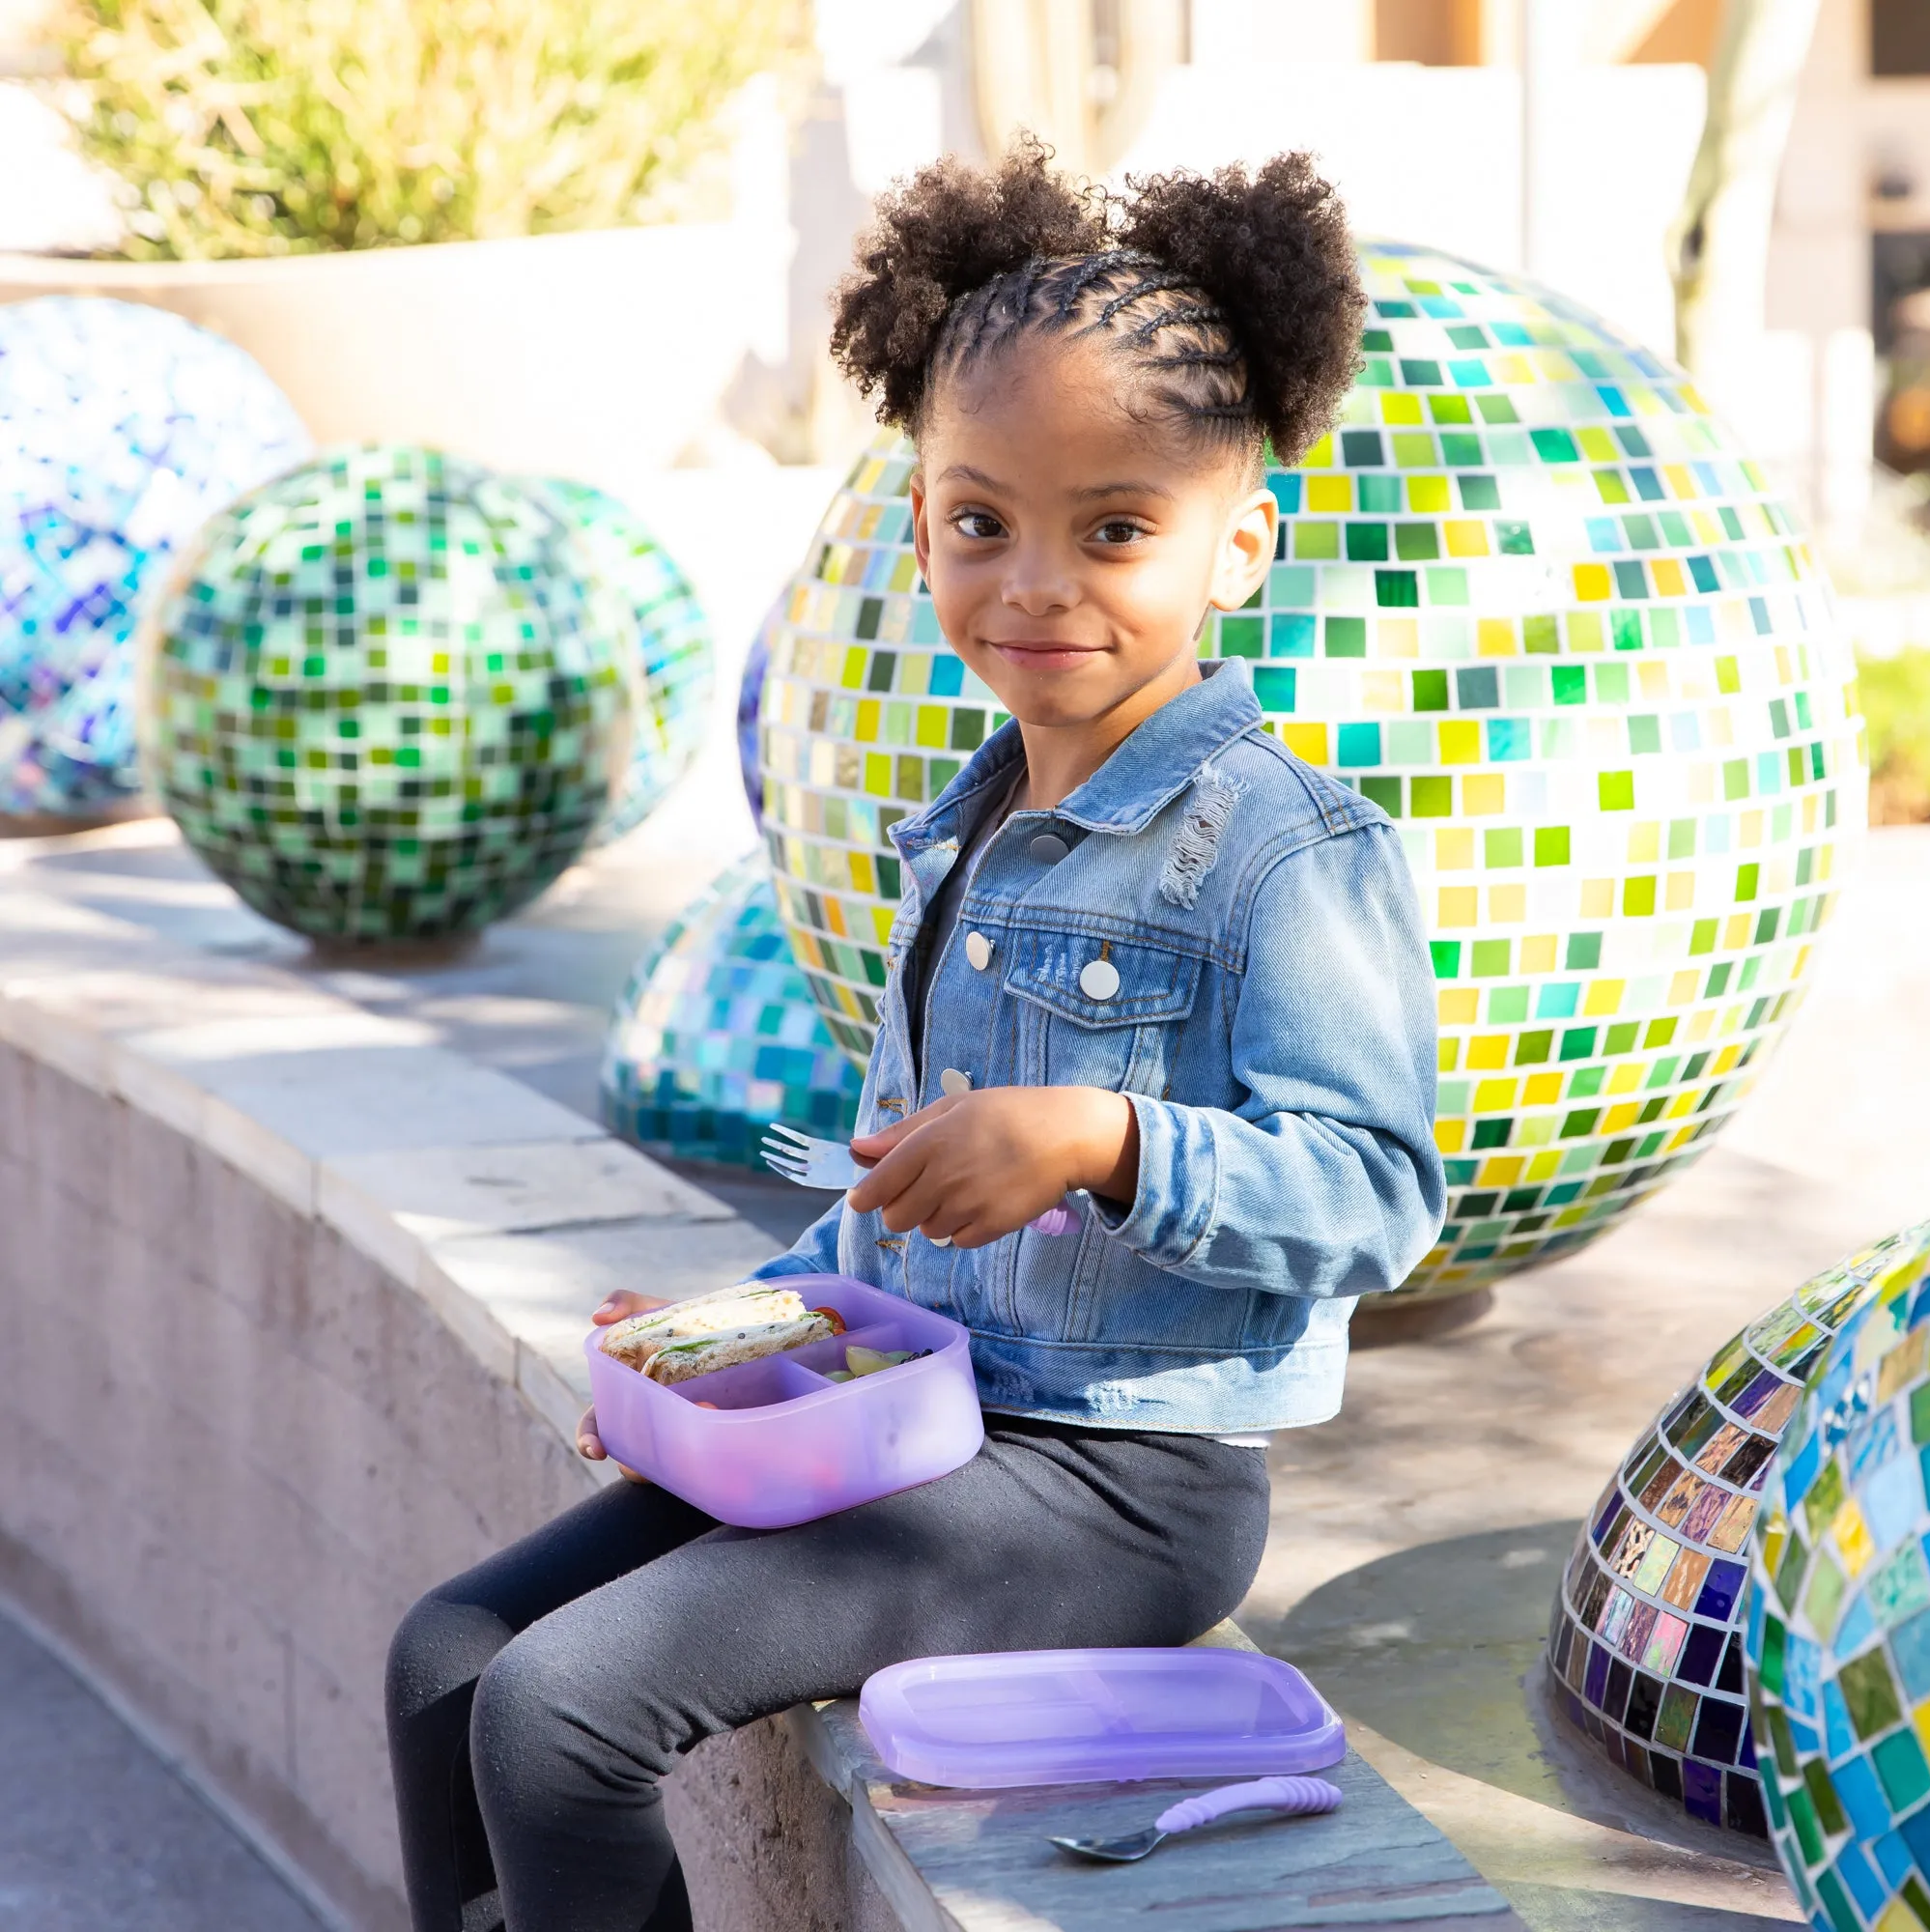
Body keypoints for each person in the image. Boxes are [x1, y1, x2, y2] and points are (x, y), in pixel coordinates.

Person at [385, 136, 1445, 1932]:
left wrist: (1108, 1146)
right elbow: (903, 1188)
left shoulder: (1286, 849)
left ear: (1238, 544)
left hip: (1121, 1482)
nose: (1036, 585)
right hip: (917, 1422)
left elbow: (1379, 1194)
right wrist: (747, 1331)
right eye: (981, 522)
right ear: (924, 519)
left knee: (565, 1715)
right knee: (455, 1654)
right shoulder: (963, 830)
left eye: (1116, 528)